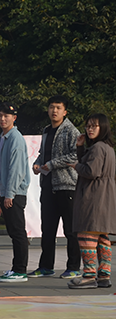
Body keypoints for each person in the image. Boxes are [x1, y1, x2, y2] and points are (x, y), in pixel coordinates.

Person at [29, 95, 81, 279]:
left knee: (70, 230)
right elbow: (43, 154)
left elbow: (76, 155)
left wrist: (51, 164)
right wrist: (37, 164)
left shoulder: (71, 131)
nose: (54, 111)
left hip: (67, 186)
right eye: (52, 107)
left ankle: (73, 266)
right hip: (48, 186)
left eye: (58, 108)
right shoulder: (46, 130)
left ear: (65, 111)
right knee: (48, 230)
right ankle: (45, 266)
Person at [66, 114, 116, 289]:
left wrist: (76, 166)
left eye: (94, 126)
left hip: (93, 196)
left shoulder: (97, 148)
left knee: (86, 234)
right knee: (101, 236)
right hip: (105, 196)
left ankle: (88, 276)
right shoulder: (108, 148)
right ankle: (104, 276)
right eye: (88, 126)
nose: (90, 129)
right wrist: (80, 148)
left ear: (103, 127)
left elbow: (91, 171)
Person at [0, 103, 31, 283]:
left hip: (14, 193)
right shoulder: (1, 138)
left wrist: (10, 193)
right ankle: (16, 268)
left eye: (7, 116)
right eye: (0, 115)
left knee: (17, 232)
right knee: (13, 231)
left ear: (14, 118)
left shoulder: (15, 138)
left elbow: (16, 169)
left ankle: (20, 270)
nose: (3, 119)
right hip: (5, 192)